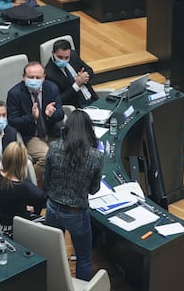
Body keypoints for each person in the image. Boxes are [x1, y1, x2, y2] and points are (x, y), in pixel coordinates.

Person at [43, 110, 104, 281]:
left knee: (52, 254)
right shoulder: (96, 156)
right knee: (84, 259)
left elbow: (46, 181)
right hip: (77, 214)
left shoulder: (54, 148)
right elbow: (93, 190)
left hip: (52, 209)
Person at [6, 61, 64, 188]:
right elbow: (12, 122)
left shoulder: (52, 88)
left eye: (38, 77)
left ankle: (58, 187)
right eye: (30, 77)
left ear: (44, 77)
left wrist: (50, 115)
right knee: (46, 157)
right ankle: (36, 188)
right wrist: (31, 117)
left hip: (51, 132)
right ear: (23, 77)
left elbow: (60, 114)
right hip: (31, 136)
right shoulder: (15, 93)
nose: (34, 80)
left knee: (67, 153)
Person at [0, 141, 46, 227]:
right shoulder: (23, 187)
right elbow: (41, 197)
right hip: (14, 227)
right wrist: (27, 210)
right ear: (23, 162)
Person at [45, 39, 98, 108]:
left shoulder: (73, 55)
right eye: (60, 57)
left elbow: (90, 70)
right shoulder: (49, 74)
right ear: (53, 53)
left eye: (66, 57)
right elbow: (58, 100)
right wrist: (76, 85)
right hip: (77, 106)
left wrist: (84, 76)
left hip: (92, 98)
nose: (63, 60)